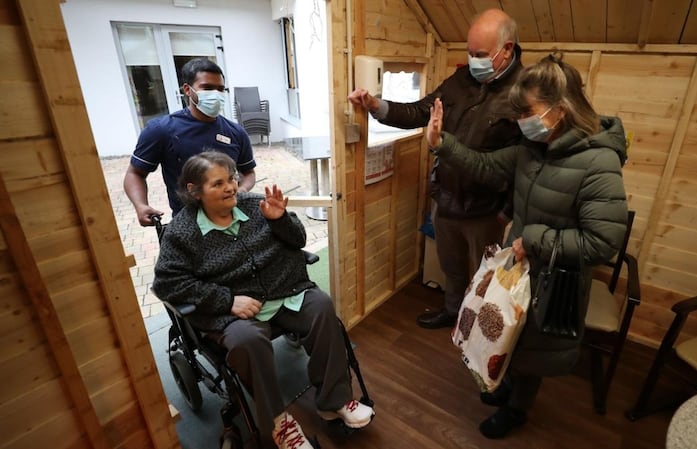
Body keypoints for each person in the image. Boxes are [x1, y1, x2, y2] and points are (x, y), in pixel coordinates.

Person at [426, 54, 629, 439]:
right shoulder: (532, 148)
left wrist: (534, 239)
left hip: (554, 280)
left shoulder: (599, 162)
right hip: (518, 267)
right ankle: (505, 385)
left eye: (528, 112)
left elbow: (603, 242)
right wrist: (442, 143)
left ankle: (517, 409)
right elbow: (486, 166)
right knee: (510, 337)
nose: (521, 121)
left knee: (532, 351)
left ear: (560, 109)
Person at [152, 152, 374, 449]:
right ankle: (279, 424)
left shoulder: (255, 205)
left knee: (321, 306)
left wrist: (280, 219)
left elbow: (298, 240)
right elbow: (167, 283)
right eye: (218, 183)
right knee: (247, 341)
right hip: (233, 311)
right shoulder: (182, 232)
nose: (230, 187)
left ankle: (334, 401)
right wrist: (227, 300)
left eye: (231, 178)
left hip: (283, 291)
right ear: (194, 191)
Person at [348, 8, 524, 330]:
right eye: (470, 53)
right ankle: (453, 311)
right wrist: (376, 106)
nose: (473, 61)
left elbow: (525, 164)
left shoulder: (524, 92)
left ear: (507, 49)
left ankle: (476, 330)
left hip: (487, 210)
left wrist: (506, 212)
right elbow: (420, 111)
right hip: (446, 199)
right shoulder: (461, 80)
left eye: (480, 54)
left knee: (486, 275)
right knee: (451, 266)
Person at [124, 58, 257, 226]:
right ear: (187, 90)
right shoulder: (161, 130)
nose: (216, 94)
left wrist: (241, 191)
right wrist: (141, 205)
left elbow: (249, 173)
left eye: (220, 89)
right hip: (188, 225)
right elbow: (135, 173)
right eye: (207, 88)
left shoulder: (236, 132)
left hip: (230, 219)